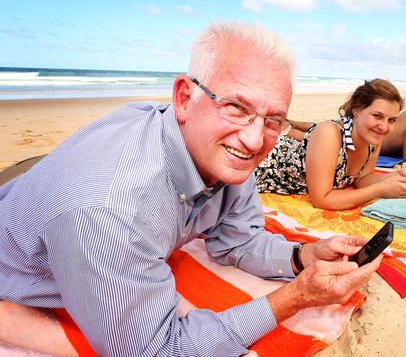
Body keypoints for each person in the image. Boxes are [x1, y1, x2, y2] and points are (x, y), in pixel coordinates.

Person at [0, 22, 381, 356]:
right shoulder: (107, 211)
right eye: (235, 106)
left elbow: (238, 242)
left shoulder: (225, 155)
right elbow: (158, 350)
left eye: (272, 120)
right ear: (184, 98)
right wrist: (296, 297)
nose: (252, 140)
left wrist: (304, 257)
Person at [255, 79, 406, 211]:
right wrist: (381, 190)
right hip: (259, 166)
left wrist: (396, 177)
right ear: (356, 111)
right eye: (377, 116)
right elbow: (322, 199)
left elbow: (363, 179)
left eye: (392, 120)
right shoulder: (330, 133)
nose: (384, 127)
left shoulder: (372, 140)